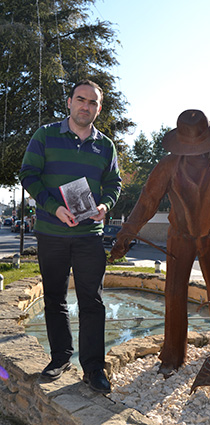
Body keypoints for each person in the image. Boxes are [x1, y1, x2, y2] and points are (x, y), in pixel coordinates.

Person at [110, 109, 210, 378]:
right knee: (173, 293)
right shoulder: (168, 166)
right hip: (179, 237)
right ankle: (172, 355)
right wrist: (126, 234)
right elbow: (147, 200)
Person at [20, 79, 121, 393]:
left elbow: (114, 184)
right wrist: (52, 207)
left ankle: (93, 369)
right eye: (81, 99)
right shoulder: (46, 135)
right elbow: (28, 174)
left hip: (90, 234)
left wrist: (105, 204)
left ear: (98, 109)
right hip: (51, 232)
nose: (86, 106)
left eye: (92, 102)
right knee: (54, 298)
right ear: (69, 101)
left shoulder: (106, 146)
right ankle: (60, 357)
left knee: (92, 302)